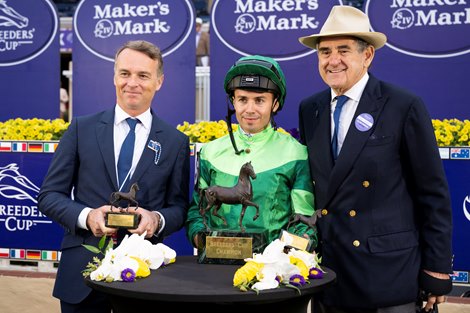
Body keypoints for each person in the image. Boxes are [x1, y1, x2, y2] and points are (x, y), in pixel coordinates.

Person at [297, 5, 453, 313]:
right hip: (331, 275)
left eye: (344, 50)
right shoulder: (310, 109)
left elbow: (432, 193)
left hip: (388, 275)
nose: (333, 60)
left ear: (367, 55)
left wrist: (436, 269)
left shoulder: (402, 105)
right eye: (325, 52)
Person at [38, 40, 190, 313]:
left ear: (159, 81)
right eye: (125, 73)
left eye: (143, 75)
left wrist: (156, 219)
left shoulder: (175, 142)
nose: (132, 82)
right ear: (114, 77)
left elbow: (179, 207)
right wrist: (88, 216)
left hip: (145, 278)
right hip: (81, 276)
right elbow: (49, 196)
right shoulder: (80, 129)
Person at [186, 55, 317, 250]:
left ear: (276, 104)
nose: (249, 109)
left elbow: (304, 220)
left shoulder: (296, 153)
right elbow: (197, 212)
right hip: (215, 270)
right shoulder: (209, 152)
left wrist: (283, 255)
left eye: (259, 100)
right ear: (233, 101)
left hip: (272, 272)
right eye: (242, 99)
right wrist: (202, 240)